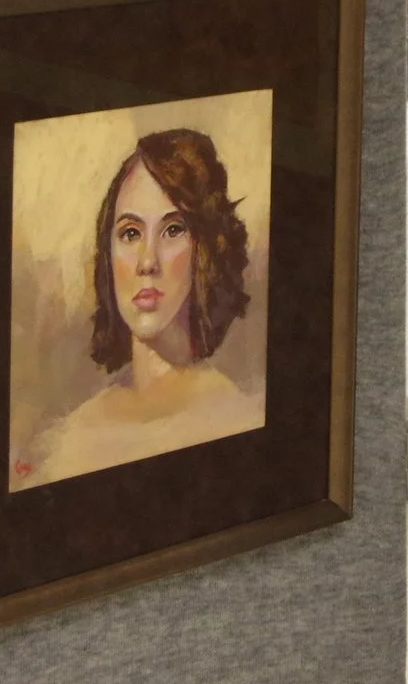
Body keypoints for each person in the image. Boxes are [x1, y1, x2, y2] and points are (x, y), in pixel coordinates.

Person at [15, 128, 262, 487]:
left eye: (173, 229)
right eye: (131, 233)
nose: (147, 262)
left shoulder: (233, 418)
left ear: (205, 249)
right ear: (108, 253)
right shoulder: (69, 439)